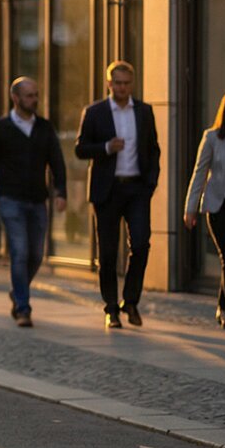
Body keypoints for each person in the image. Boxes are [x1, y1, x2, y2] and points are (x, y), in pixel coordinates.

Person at [0, 77, 69, 328]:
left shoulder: (44, 128)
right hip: (10, 199)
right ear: (15, 98)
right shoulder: (0, 129)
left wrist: (61, 192)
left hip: (38, 199)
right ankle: (23, 308)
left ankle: (18, 291)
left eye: (36, 95)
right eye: (29, 96)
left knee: (36, 254)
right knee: (19, 251)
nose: (34, 100)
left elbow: (57, 161)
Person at [74, 61, 160, 330]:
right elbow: (80, 149)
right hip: (107, 190)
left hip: (136, 189)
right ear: (109, 84)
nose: (122, 88)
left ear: (132, 84)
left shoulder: (144, 112)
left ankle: (130, 301)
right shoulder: (95, 112)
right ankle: (111, 308)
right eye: (118, 83)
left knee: (141, 244)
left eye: (126, 83)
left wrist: (150, 183)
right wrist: (106, 148)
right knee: (108, 253)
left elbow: (153, 149)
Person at [184, 89, 225, 335]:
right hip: (220, 207)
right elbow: (199, 173)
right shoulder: (212, 138)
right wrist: (190, 208)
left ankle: (223, 307)